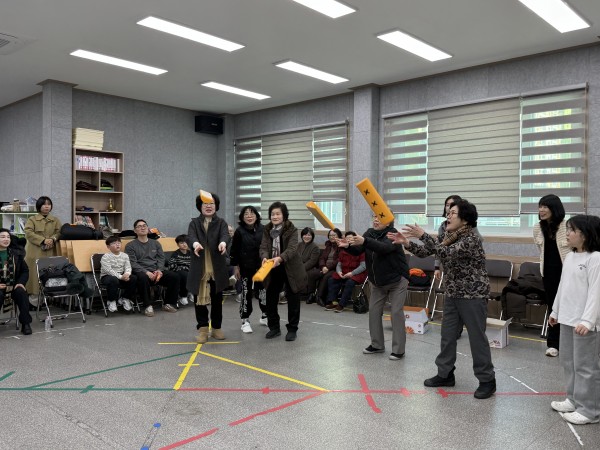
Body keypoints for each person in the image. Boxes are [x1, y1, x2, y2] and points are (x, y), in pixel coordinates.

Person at [389, 199, 496, 399]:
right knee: (447, 336)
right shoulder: (449, 235)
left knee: (477, 339)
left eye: (453, 213)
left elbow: (445, 252)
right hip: (453, 293)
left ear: (465, 219)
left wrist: (423, 235)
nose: (448, 215)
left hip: (472, 295)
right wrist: (407, 243)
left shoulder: (471, 239)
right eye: (448, 212)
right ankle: (445, 374)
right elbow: (428, 252)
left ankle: (487, 380)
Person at [548, 214, 600, 425]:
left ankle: (590, 410)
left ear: (585, 234)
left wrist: (588, 321)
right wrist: (555, 311)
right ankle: (573, 399)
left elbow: (596, 292)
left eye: (572, 230)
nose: (567, 234)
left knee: (586, 366)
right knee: (568, 362)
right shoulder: (570, 257)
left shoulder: (595, 258)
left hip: (584, 324)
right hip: (567, 319)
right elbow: (563, 286)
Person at [342, 215, 409, 360]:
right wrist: (347, 246)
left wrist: (365, 241)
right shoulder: (369, 233)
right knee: (373, 311)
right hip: (378, 282)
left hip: (397, 280)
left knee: (396, 313)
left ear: (389, 221)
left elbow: (384, 248)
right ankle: (377, 345)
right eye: (374, 217)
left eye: (380, 217)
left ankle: (399, 350)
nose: (376, 220)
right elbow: (359, 250)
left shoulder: (393, 233)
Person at [259, 201, 307, 341]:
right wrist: (264, 257)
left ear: (284, 215)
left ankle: (292, 329)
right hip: (272, 267)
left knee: (293, 298)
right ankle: (274, 328)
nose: (275, 216)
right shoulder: (267, 229)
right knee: (270, 298)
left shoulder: (291, 229)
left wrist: (279, 258)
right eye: (272, 214)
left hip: (290, 267)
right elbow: (263, 247)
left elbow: (292, 249)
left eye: (278, 214)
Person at [187, 193, 230, 343]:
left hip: (216, 269)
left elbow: (225, 235)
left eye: (211, 203)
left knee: (217, 300)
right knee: (199, 301)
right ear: (200, 206)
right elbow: (190, 237)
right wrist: (195, 244)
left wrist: (223, 243)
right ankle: (203, 329)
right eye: (205, 204)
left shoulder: (221, 222)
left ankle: (217, 328)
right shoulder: (194, 223)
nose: (209, 206)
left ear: (216, 206)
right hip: (200, 269)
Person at [533, 194, 570, 357]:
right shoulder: (537, 228)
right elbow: (541, 251)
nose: (541, 210)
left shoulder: (567, 226)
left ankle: (569, 343)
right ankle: (553, 344)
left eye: (545, 207)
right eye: (540, 206)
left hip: (567, 273)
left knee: (569, 307)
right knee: (553, 308)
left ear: (554, 208)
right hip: (548, 273)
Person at [125, 219, 179, 317]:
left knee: (174, 277)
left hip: (156, 270)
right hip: (141, 271)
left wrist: (159, 270)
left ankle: (168, 303)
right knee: (142, 278)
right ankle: (148, 306)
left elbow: (161, 258)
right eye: (139, 226)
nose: (142, 228)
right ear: (135, 231)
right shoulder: (130, 245)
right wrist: (146, 272)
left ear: (148, 228)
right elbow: (132, 263)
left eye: (144, 226)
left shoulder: (156, 243)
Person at [230, 205, 267, 333]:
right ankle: (245, 320)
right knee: (246, 293)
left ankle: (265, 316)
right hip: (245, 267)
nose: (249, 216)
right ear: (242, 217)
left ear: (256, 216)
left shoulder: (263, 229)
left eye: (252, 214)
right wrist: (236, 267)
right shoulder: (239, 231)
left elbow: (267, 247)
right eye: (246, 214)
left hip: (261, 267)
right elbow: (234, 250)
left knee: (263, 292)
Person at [24, 196, 61, 299]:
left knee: (49, 273)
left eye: (49, 204)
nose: (46, 206)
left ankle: (47, 299)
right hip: (35, 252)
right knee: (34, 276)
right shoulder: (32, 219)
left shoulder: (55, 220)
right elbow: (28, 233)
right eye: (44, 204)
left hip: (50, 251)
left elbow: (59, 232)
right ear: (39, 206)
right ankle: (33, 299)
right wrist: (43, 240)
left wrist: (53, 238)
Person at [0, 228, 32, 335]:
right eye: (2, 237)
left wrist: (20, 283)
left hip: (13, 285)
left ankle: (26, 324)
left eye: (8, 237)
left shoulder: (16, 254)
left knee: (21, 292)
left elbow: (25, 270)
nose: (6, 239)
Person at [325, 231, 366, 313]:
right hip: (344, 272)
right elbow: (339, 264)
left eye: (351, 238)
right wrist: (339, 272)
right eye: (347, 238)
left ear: (355, 239)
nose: (349, 240)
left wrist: (352, 273)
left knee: (349, 282)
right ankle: (333, 301)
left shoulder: (360, 250)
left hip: (357, 274)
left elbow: (363, 266)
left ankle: (342, 304)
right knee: (332, 279)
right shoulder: (343, 250)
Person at [100, 236, 137, 313]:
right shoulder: (105, 257)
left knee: (133, 278)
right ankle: (111, 300)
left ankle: (125, 298)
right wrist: (121, 277)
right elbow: (109, 270)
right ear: (108, 247)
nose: (117, 245)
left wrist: (127, 274)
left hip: (121, 276)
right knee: (113, 279)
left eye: (119, 243)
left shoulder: (125, 255)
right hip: (107, 276)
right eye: (114, 243)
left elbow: (128, 267)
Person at [311, 228, 342, 306]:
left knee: (326, 277)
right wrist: (323, 267)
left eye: (334, 235)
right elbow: (322, 258)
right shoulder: (328, 245)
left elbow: (339, 260)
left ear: (339, 236)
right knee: (313, 274)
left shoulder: (341, 246)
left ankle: (319, 297)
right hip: (325, 268)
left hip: (335, 268)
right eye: (330, 235)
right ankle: (311, 295)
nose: (332, 237)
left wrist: (328, 268)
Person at [167, 234, 192, 306]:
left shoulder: (191, 253)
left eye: (186, 242)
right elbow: (172, 266)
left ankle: (193, 292)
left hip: (189, 272)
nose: (184, 244)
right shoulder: (175, 254)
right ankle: (183, 295)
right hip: (178, 272)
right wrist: (185, 268)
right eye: (181, 243)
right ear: (178, 245)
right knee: (185, 275)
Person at [297, 227, 320, 303]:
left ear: (312, 236)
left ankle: (310, 294)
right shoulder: (298, 245)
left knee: (308, 273)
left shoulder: (315, 247)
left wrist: (300, 268)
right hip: (298, 266)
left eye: (309, 235)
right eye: (305, 235)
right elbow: (294, 257)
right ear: (302, 236)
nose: (307, 237)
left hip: (311, 267)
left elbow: (312, 261)